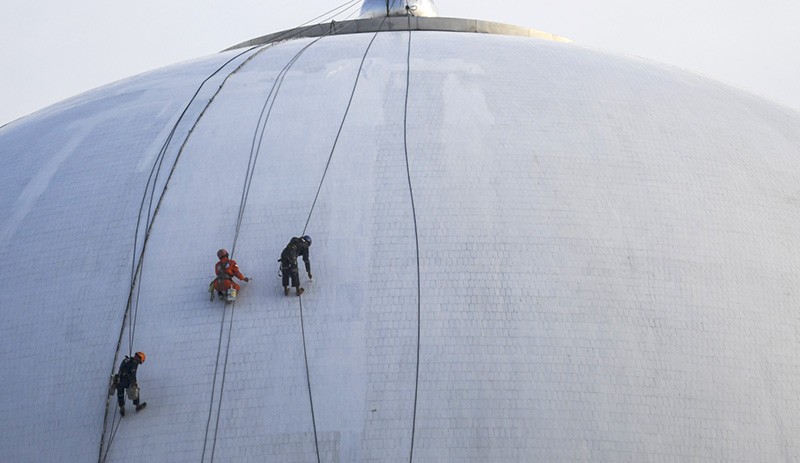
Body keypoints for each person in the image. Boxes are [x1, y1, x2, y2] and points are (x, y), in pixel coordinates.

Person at [115, 351, 146, 416]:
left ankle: (121, 408)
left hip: (119, 379)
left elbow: (121, 368)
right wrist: (134, 382)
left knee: (120, 393)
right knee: (135, 390)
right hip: (126, 381)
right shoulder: (135, 364)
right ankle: (137, 406)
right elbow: (133, 374)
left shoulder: (126, 359)